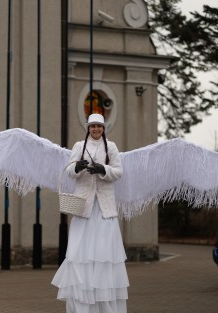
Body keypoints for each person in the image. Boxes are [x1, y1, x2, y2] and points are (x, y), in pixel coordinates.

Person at [52, 113, 129, 313]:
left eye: (99, 127)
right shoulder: (79, 146)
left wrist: (102, 169)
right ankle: (82, 304)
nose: (96, 129)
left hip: (104, 208)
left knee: (104, 253)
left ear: (104, 129)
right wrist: (77, 167)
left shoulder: (111, 147)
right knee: (80, 252)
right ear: (88, 127)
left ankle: (105, 304)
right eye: (93, 126)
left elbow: (118, 172)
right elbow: (69, 170)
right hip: (83, 208)